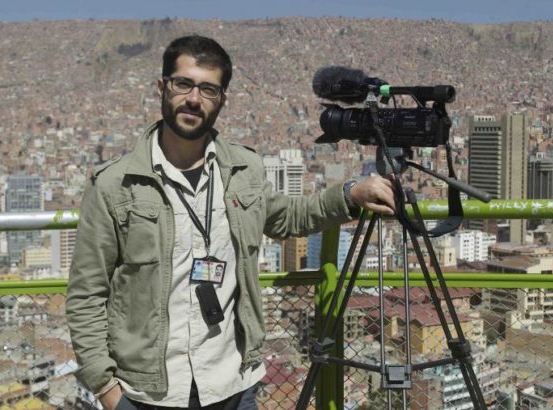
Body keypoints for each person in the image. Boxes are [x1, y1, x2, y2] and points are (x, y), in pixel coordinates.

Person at [66, 35, 396, 410]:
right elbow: (86, 294)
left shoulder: (244, 170)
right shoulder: (115, 184)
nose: (194, 98)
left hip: (234, 385)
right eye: (183, 84)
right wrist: (107, 390)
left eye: (208, 89)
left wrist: (351, 194)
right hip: (150, 393)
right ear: (162, 87)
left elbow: (288, 218)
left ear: (222, 99)